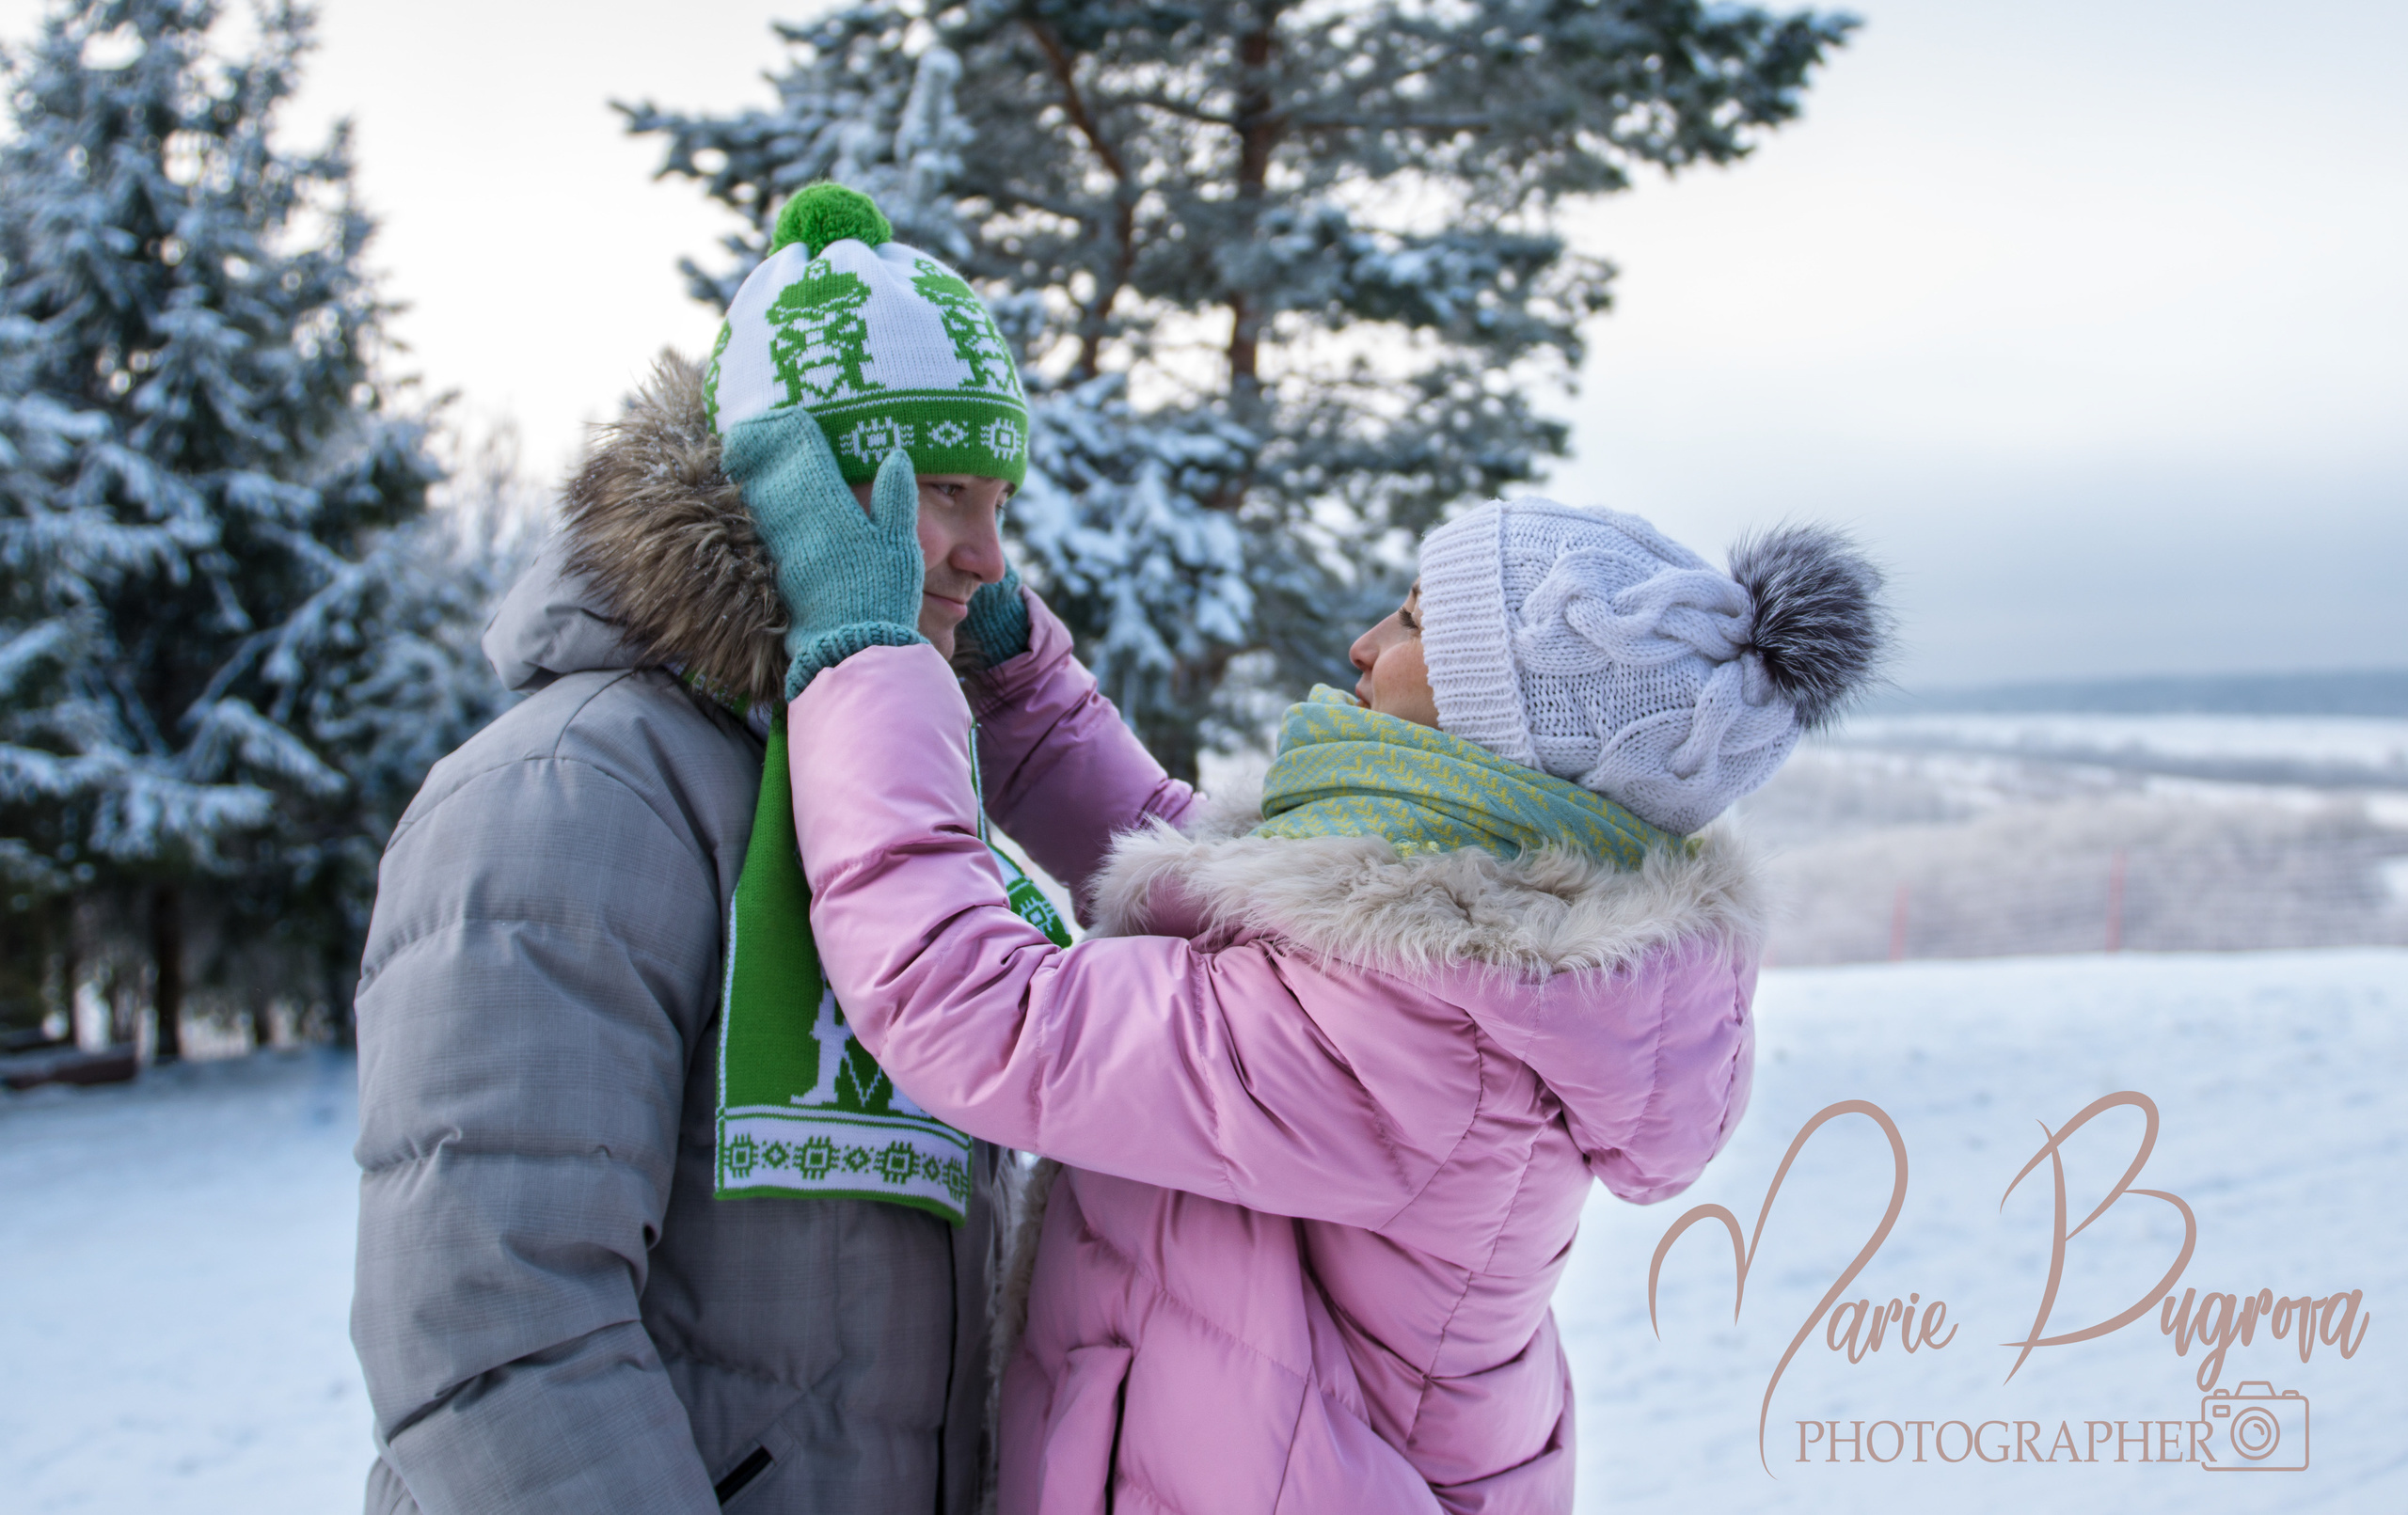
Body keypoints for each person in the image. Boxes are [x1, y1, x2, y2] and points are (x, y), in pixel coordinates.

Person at [724, 425, 1891, 1508]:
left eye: (1416, 624)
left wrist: (870, 662)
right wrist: (1020, 680)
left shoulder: (1424, 1041)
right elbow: (1198, 875)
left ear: (1499, 728)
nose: (1364, 647)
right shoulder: (1475, 963)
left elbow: (976, 1009)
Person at [347, 185, 1082, 1512]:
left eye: (1000, 497)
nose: (987, 555)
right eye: (943, 491)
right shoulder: (572, 788)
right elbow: (492, 1329)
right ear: (791, 487)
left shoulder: (886, 798)